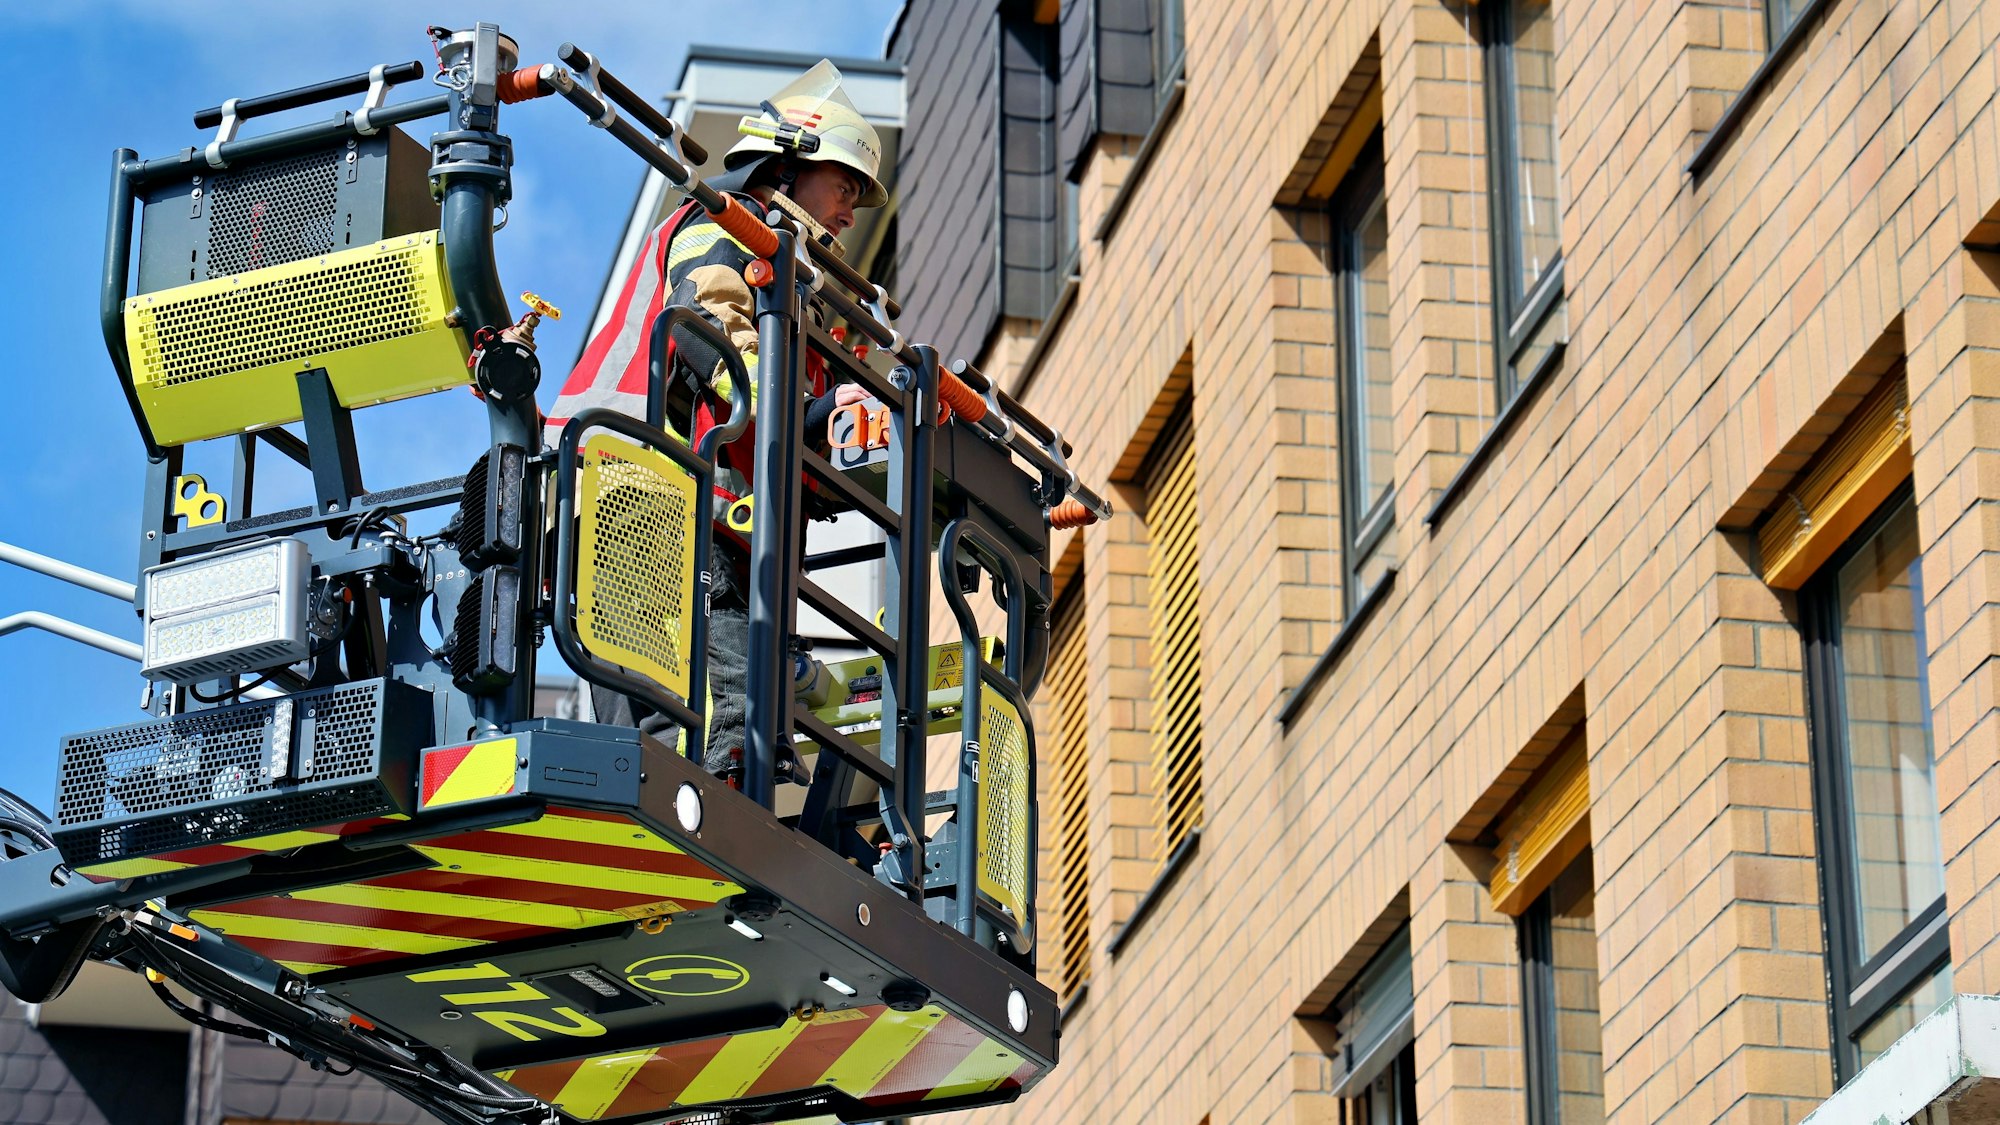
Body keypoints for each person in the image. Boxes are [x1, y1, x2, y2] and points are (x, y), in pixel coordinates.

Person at [543, 60, 887, 778]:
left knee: (648, 737)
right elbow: (721, 339)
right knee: (713, 706)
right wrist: (817, 412)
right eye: (844, 185)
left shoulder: (791, 281)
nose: (851, 211)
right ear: (787, 168)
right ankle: (715, 808)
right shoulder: (725, 230)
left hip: (620, 501)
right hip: (650, 499)